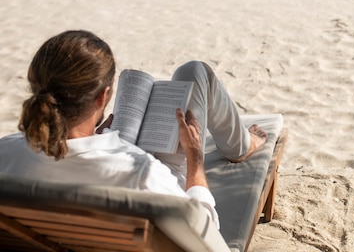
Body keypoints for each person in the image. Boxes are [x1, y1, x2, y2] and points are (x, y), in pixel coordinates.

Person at [0, 30, 268, 229]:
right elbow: (206, 230)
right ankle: (241, 146)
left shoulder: (5, 152)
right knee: (194, 72)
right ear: (103, 97)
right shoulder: (140, 174)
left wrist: (94, 138)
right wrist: (195, 158)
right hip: (141, 187)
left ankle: (241, 143)